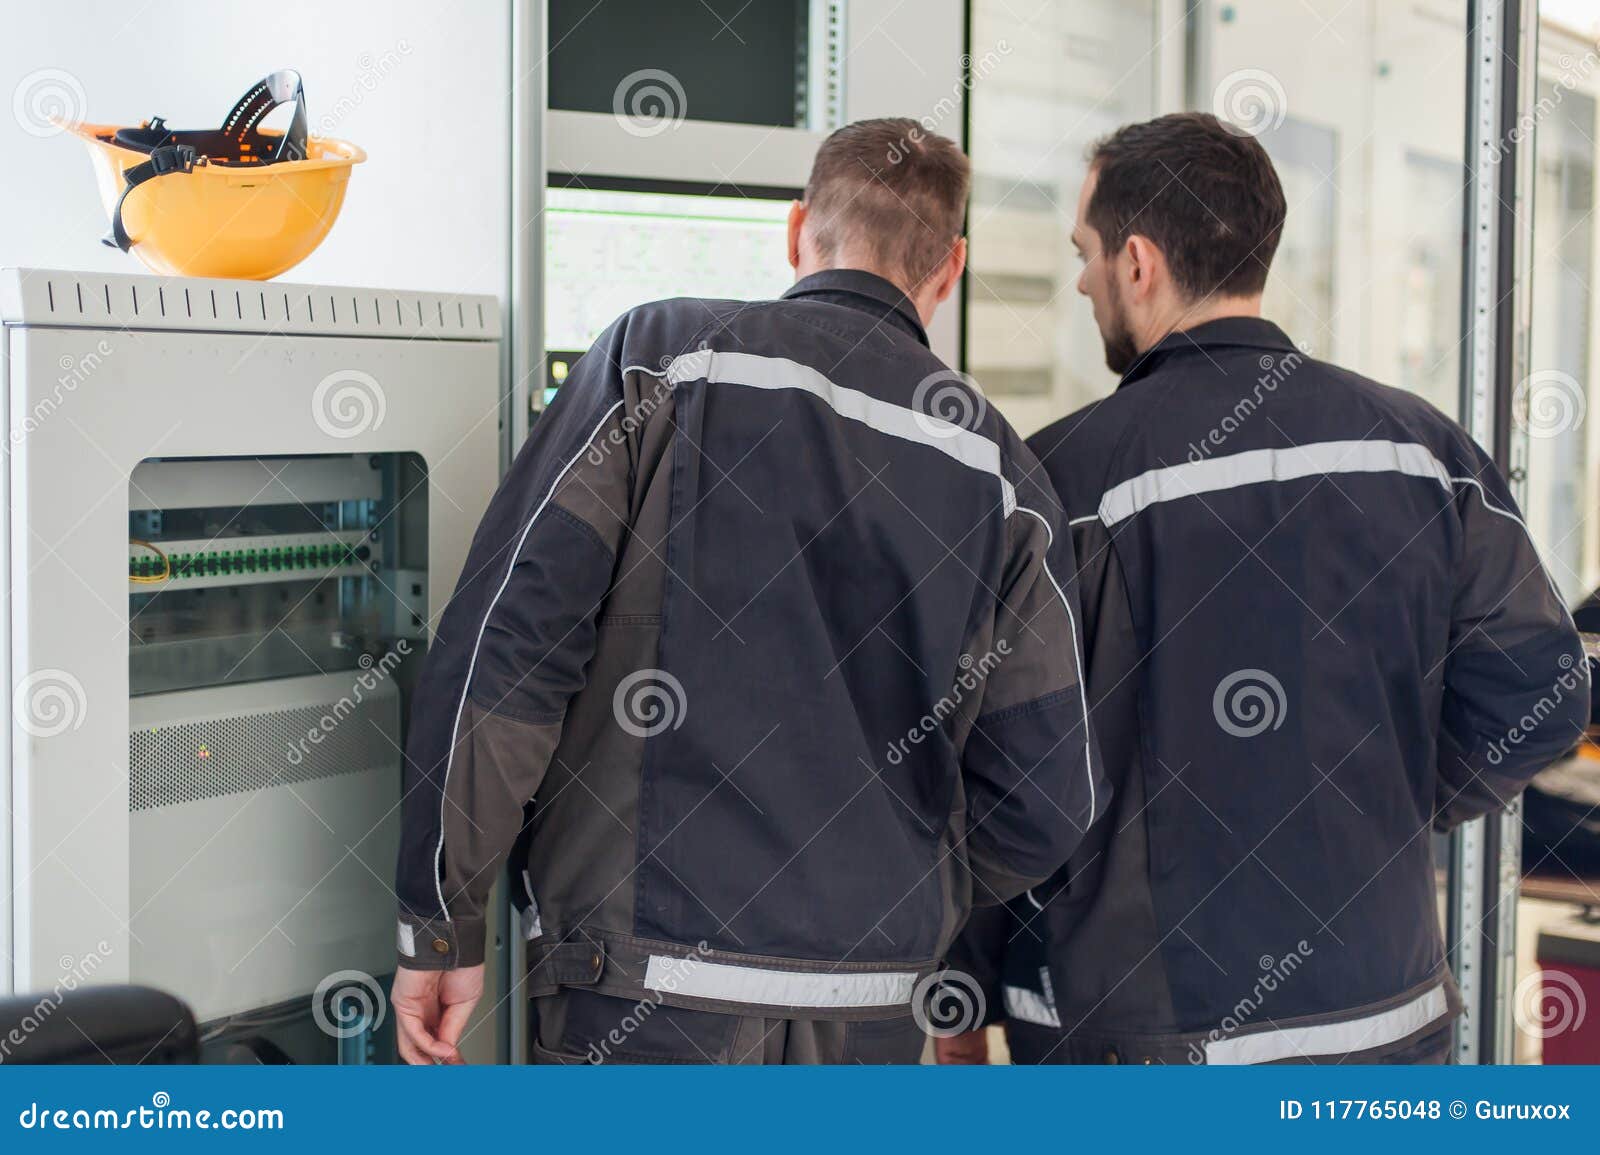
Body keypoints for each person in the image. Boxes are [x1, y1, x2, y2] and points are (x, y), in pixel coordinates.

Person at [389, 118, 1105, 1065]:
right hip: (868, 1012)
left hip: (641, 992)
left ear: (798, 227)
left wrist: (442, 917)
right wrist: (890, 893)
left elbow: (510, 647)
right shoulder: (1002, 475)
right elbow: (1047, 797)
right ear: (950, 268)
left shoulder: (662, 359)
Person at [939, 112, 1587, 1066]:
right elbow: (1543, 691)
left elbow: (1001, 762)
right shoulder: (1421, 450)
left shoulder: (1061, 484)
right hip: (1383, 1020)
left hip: (1139, 1039)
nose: (1080, 280)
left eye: (1085, 253)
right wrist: (1399, 792)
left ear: (1139, 262)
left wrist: (967, 992)